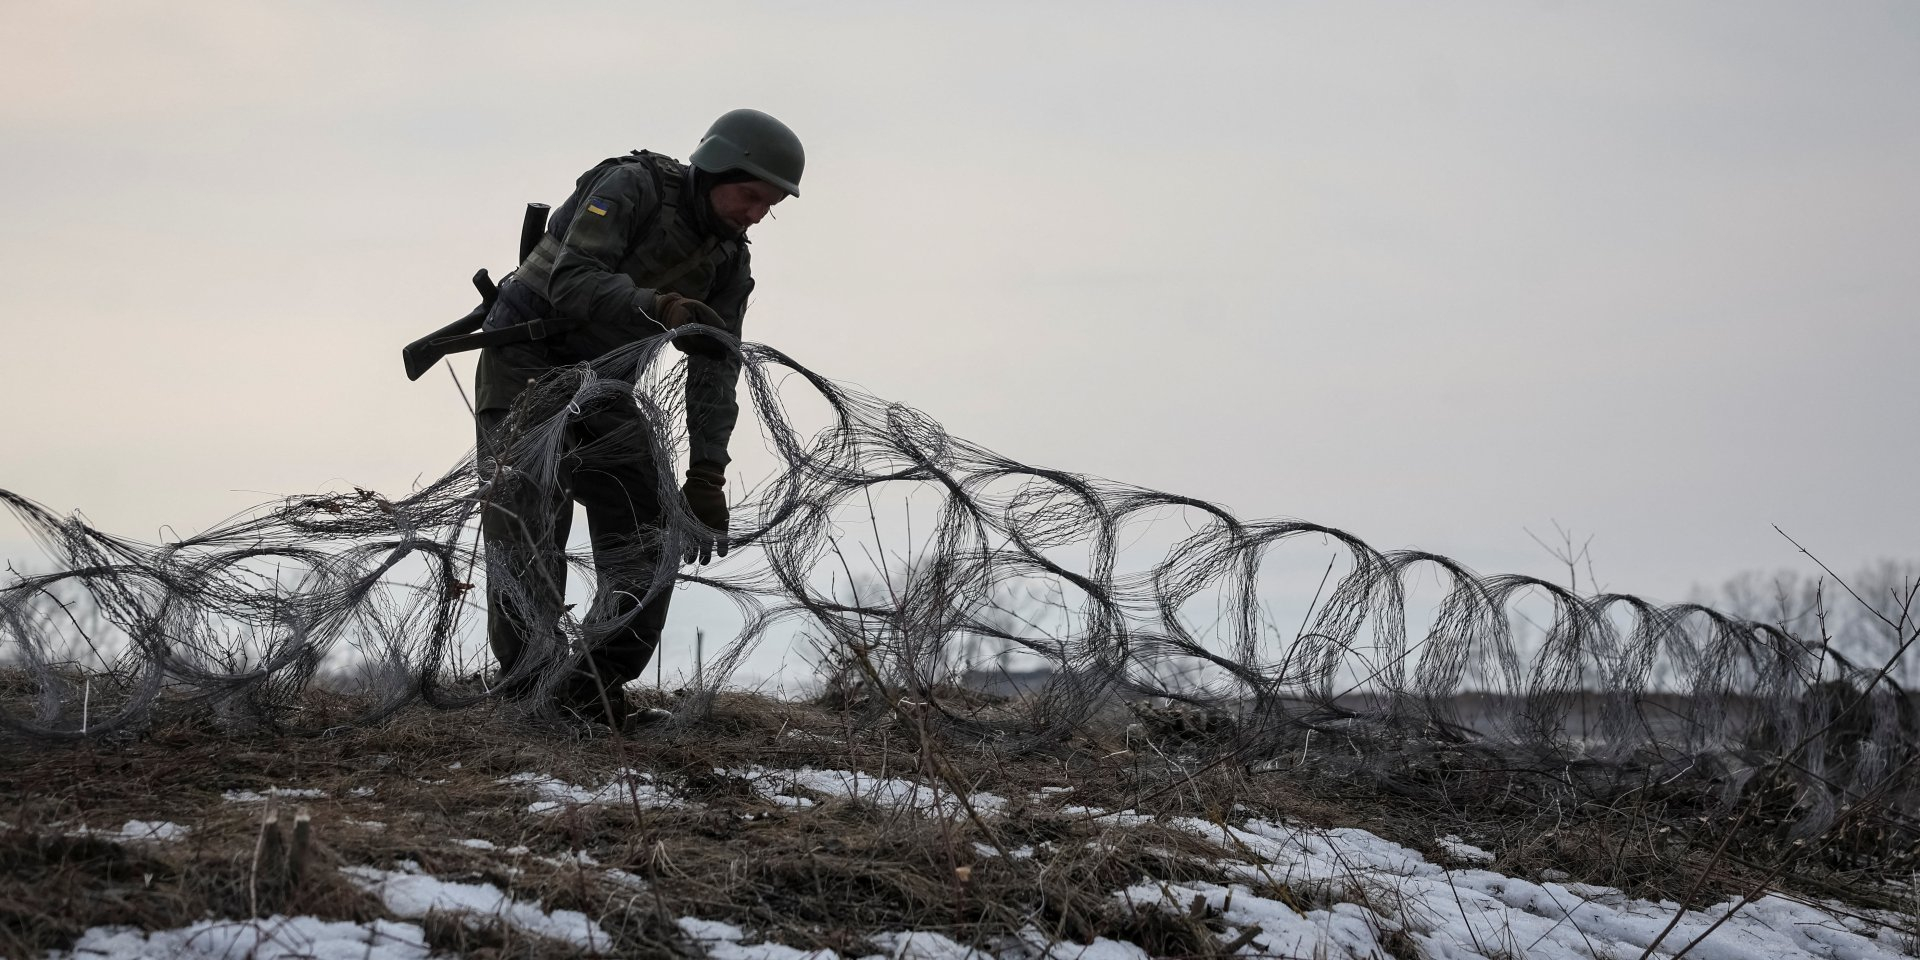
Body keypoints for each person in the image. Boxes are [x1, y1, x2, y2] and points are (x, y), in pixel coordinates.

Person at [469, 109, 802, 729]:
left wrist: (706, 475)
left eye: (771, 204)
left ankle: (586, 695)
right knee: (529, 529)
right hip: (527, 366)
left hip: (604, 389)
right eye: (750, 194)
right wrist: (662, 307)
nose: (756, 212)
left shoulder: (729, 262)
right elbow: (572, 280)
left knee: (652, 536)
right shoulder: (631, 187)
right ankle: (530, 699)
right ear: (714, 170)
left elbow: (715, 367)